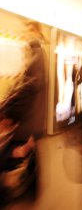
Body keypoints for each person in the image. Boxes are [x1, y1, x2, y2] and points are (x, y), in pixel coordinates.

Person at [0, 21, 47, 205]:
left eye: (27, 30)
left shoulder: (35, 52)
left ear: (34, 32)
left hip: (26, 121)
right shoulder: (36, 53)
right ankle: (32, 194)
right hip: (32, 121)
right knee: (28, 158)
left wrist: (7, 111)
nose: (23, 33)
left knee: (10, 158)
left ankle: (14, 195)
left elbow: (28, 87)